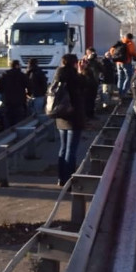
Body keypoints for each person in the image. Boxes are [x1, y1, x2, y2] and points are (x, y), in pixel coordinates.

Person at [52, 53, 86, 186]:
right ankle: (69, 180)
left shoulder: (58, 74)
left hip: (61, 116)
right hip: (73, 117)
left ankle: (61, 178)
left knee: (63, 148)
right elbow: (85, 86)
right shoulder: (73, 76)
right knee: (71, 150)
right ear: (74, 63)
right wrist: (81, 71)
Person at [0, 60, 29, 128]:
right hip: (19, 102)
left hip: (7, 102)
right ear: (17, 65)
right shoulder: (21, 75)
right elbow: (29, 85)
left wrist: (4, 93)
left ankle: (8, 134)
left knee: (7, 120)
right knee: (19, 120)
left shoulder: (4, 75)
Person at [111, 33, 136, 98]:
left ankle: (119, 92)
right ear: (131, 38)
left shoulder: (119, 42)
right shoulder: (130, 43)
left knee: (120, 78)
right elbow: (132, 52)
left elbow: (111, 50)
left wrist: (116, 57)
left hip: (118, 62)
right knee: (129, 77)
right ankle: (123, 92)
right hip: (126, 62)